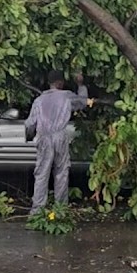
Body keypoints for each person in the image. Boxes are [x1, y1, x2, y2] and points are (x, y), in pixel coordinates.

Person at [24, 70, 96, 216]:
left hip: (44, 137)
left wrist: (30, 136)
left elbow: (30, 123)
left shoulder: (39, 100)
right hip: (60, 136)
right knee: (61, 173)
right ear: (60, 82)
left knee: (42, 173)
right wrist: (80, 84)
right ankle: (60, 210)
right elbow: (83, 102)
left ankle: (37, 211)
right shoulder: (67, 96)